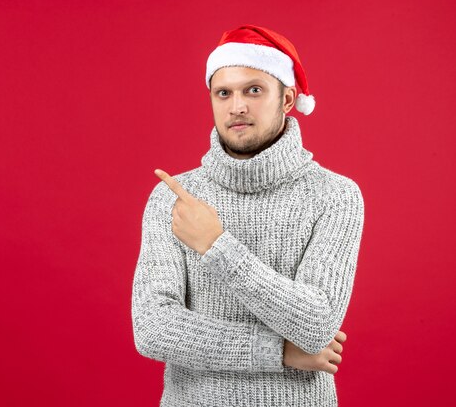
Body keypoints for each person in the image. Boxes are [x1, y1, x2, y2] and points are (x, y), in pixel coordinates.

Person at [131, 24, 365, 407]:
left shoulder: (335, 195)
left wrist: (217, 246)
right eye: (224, 92)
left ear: (287, 100)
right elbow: (154, 328)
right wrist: (278, 352)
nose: (236, 106)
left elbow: (317, 324)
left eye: (253, 90)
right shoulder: (173, 198)